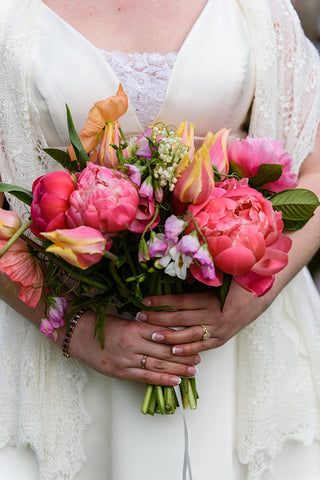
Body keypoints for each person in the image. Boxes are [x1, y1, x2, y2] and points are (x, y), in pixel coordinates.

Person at [0, 0, 320, 479]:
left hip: (241, 344)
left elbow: (315, 166)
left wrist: (255, 293)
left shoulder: (256, 8)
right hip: (59, 337)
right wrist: (72, 327)